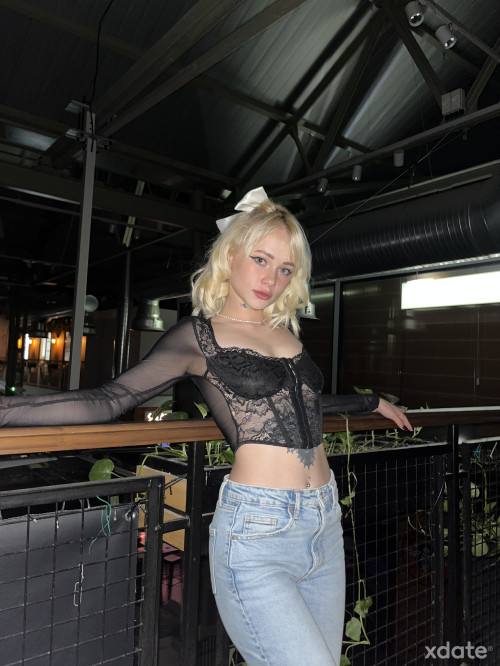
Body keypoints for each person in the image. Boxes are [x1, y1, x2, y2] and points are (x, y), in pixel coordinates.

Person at [0, 187, 411, 666]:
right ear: (231, 255)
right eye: (260, 259)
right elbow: (111, 398)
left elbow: (307, 405)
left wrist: (371, 401)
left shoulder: (284, 334)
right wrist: (7, 411)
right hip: (258, 528)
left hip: (323, 520)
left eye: (285, 269)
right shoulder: (198, 336)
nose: (272, 279)